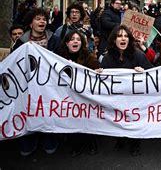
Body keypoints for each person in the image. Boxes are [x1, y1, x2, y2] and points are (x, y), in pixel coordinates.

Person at [98, 25, 152, 156]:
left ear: (129, 40)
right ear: (113, 40)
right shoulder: (107, 58)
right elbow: (102, 80)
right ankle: (120, 139)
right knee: (118, 119)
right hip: (117, 98)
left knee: (133, 120)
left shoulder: (138, 55)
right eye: (119, 36)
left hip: (135, 99)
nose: (123, 38)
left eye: (126, 36)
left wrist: (143, 72)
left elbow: (152, 73)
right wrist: (98, 73)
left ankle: (135, 143)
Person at [11, 8, 58, 156]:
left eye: (44, 19)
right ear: (31, 23)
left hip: (48, 84)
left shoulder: (54, 39)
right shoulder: (22, 42)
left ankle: (48, 139)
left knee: (47, 111)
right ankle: (28, 141)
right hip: (28, 85)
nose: (42, 21)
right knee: (29, 111)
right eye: (38, 19)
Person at [57, 30, 100, 156]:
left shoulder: (88, 56)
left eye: (78, 39)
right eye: (72, 39)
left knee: (86, 118)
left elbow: (96, 66)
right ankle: (75, 145)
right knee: (73, 121)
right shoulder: (58, 57)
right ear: (66, 43)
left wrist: (98, 69)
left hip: (84, 96)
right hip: (66, 96)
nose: (75, 41)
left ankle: (91, 142)